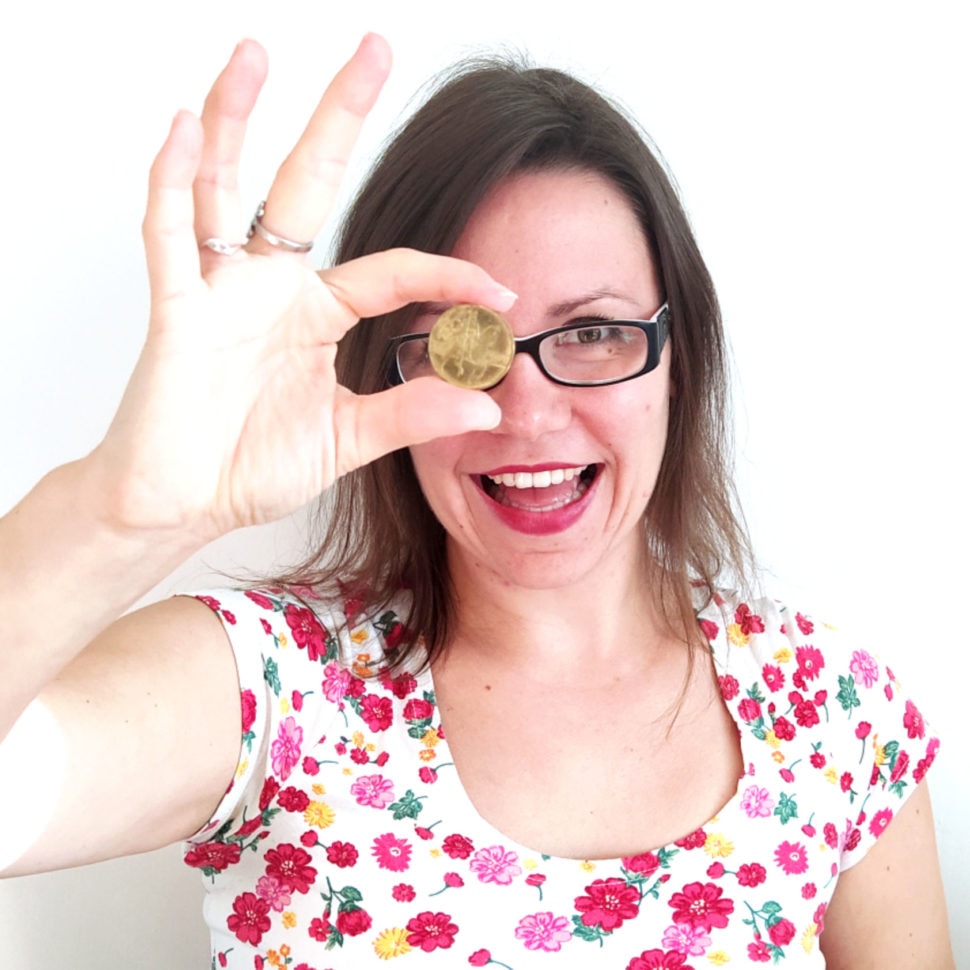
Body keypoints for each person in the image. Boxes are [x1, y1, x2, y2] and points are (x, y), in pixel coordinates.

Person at [0, 32, 953, 969]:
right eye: (463, 343)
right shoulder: (276, 687)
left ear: (678, 357)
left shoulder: (835, 716)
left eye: (593, 332)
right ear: (386, 369)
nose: (527, 417)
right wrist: (122, 511)